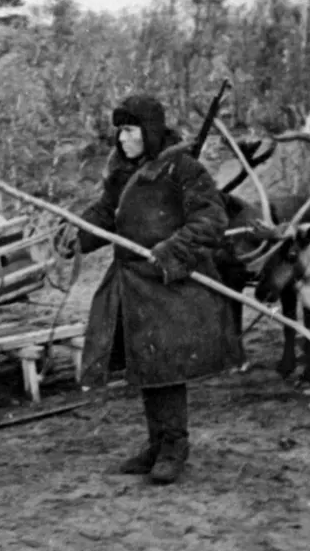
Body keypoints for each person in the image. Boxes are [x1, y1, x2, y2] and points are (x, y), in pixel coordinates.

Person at [74, 94, 242, 485]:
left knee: (167, 366)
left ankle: (174, 450)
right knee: (146, 365)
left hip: (169, 286)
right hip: (132, 285)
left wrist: (172, 250)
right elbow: (105, 213)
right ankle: (156, 444)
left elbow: (211, 219)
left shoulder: (183, 169)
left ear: (148, 132)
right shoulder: (124, 173)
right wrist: (74, 235)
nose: (121, 139)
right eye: (119, 131)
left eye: (129, 130)